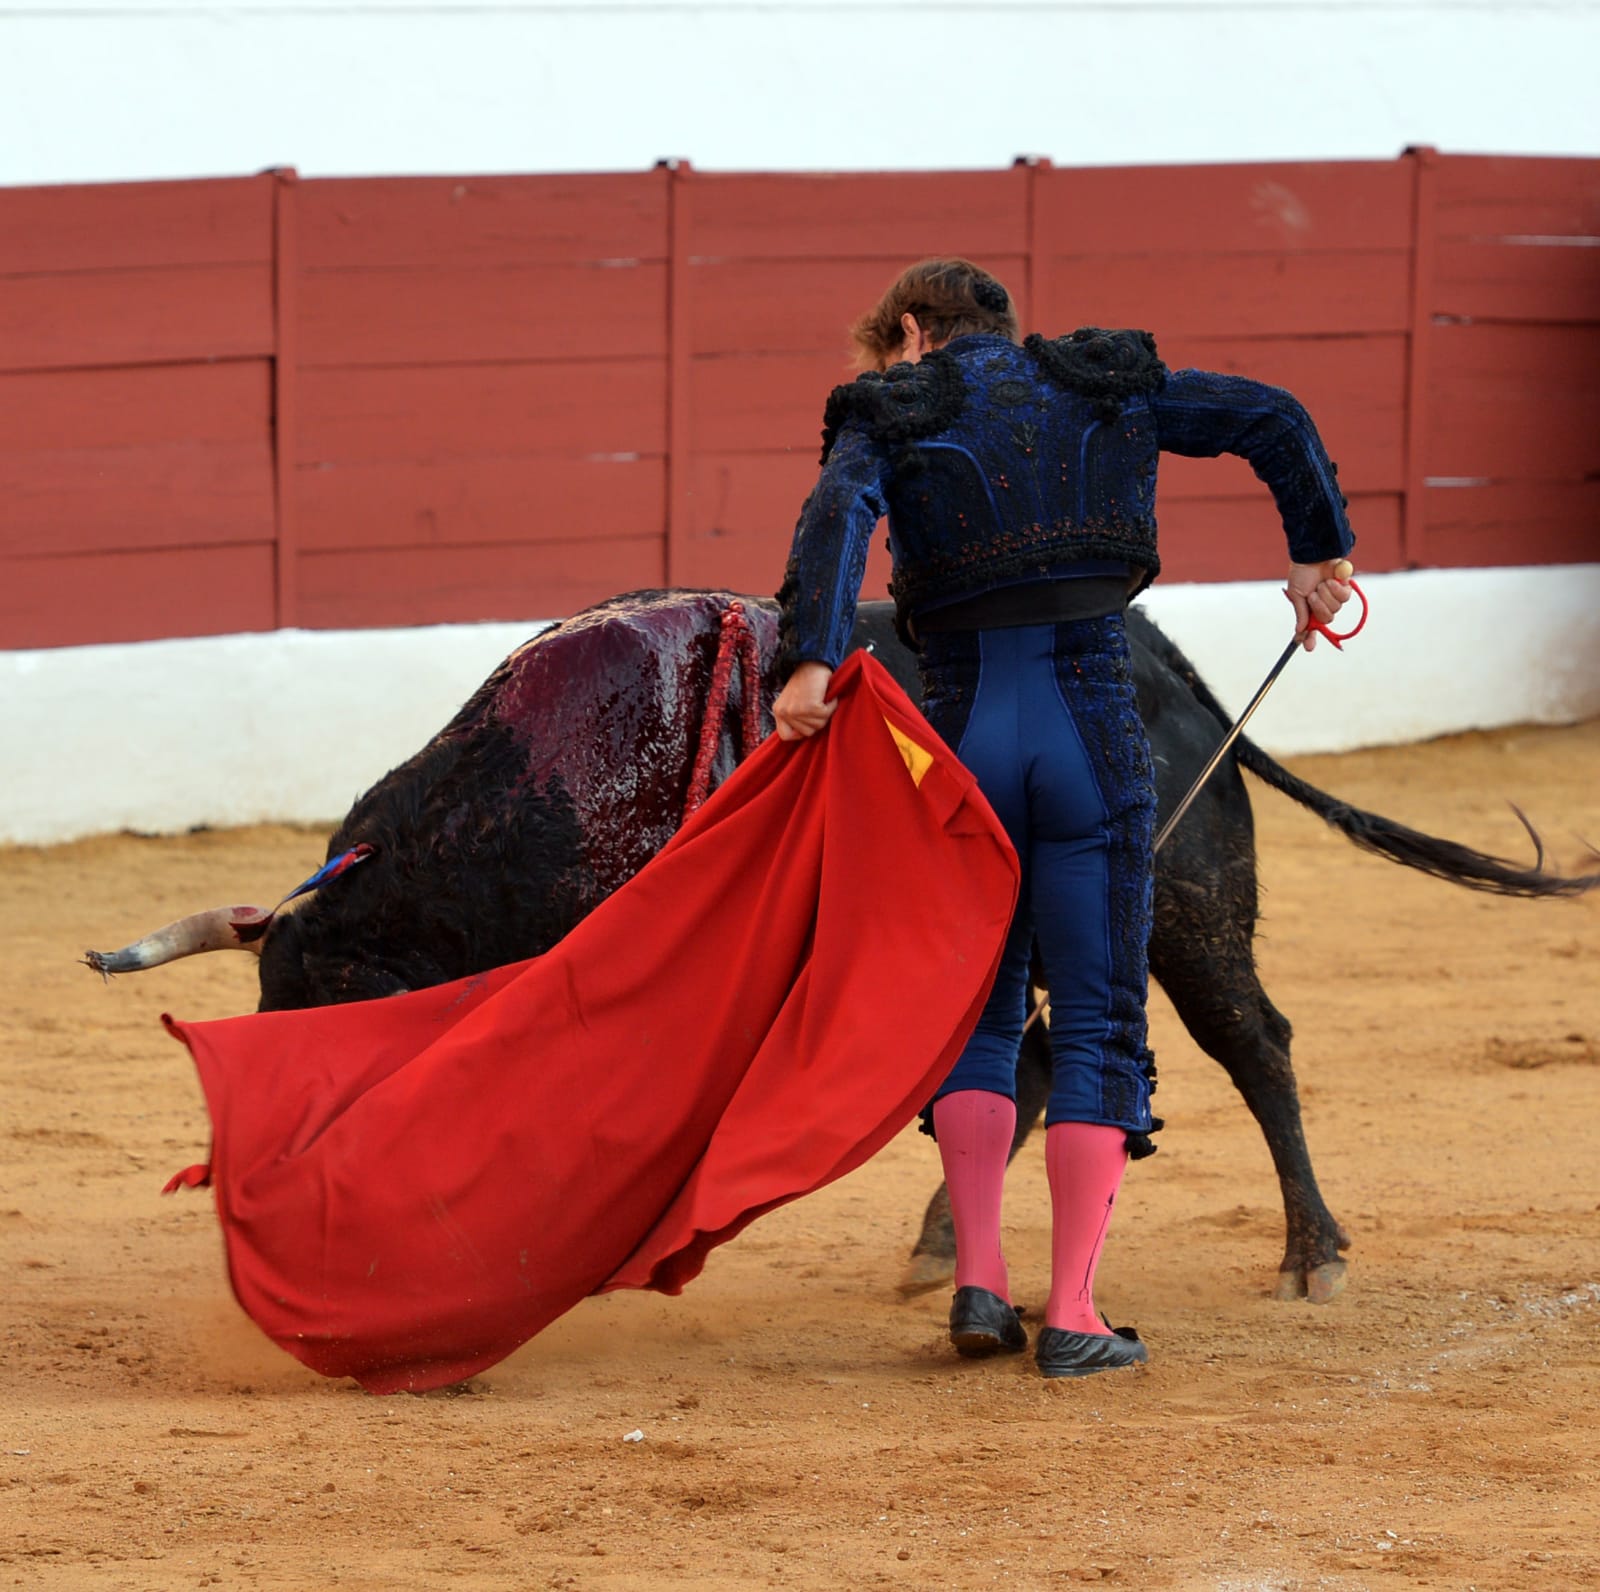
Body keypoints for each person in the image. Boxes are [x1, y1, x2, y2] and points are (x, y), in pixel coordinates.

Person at [772, 258, 1354, 1379]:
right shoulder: (1105, 387)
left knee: (980, 1013)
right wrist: (1314, 553)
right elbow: (1272, 419)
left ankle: (981, 1285)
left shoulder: (890, 410)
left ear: (909, 331)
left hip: (961, 738)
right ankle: (1075, 1312)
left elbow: (839, 511)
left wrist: (807, 659)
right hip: (1091, 728)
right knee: (1094, 1016)